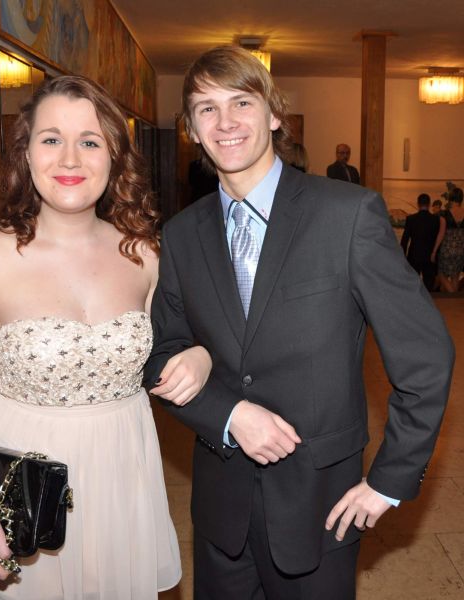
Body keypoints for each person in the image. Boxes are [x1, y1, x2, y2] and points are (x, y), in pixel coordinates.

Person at [145, 46, 454, 600]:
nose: (226, 121)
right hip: (220, 510)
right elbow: (159, 353)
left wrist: (389, 480)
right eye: (206, 108)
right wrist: (229, 413)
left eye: (242, 102)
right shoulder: (182, 234)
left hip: (320, 505)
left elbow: (426, 356)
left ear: (273, 114)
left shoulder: (347, 215)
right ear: (191, 129)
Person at [0, 75, 213, 599]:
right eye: (51, 139)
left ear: (113, 157)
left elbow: (178, 344)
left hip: (121, 471)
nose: (69, 159)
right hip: (23, 479)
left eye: (89, 141)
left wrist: (201, 356)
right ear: (26, 154)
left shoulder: (145, 255)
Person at [400, 193, 440, 292]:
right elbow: (438, 240)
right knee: (429, 287)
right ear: (429, 204)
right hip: (429, 257)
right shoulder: (435, 219)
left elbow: (404, 240)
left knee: (413, 286)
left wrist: (403, 256)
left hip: (414, 255)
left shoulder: (411, 219)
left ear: (418, 204)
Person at [432, 186, 464, 293]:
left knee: (441, 274)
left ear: (450, 198)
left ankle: (454, 296)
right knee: (455, 277)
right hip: (460, 250)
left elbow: (441, 234)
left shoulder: (444, 214)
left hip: (446, 250)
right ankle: (454, 299)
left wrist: (434, 251)